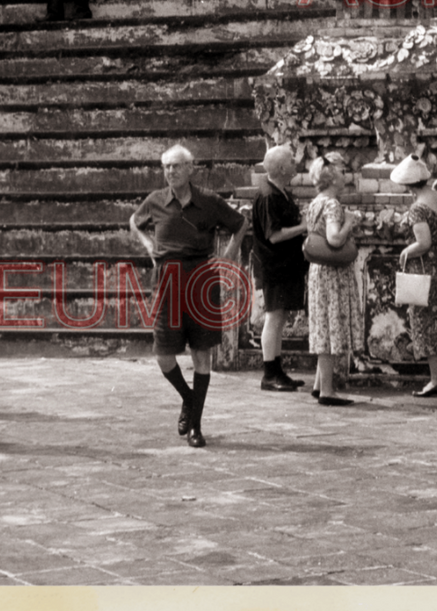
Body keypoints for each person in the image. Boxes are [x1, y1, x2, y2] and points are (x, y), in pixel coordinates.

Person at [130, 144, 249, 448]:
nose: (171, 172)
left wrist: (228, 256)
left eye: (176, 166)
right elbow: (135, 222)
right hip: (167, 279)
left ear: (190, 169)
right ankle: (189, 398)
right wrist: (148, 246)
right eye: (167, 167)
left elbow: (240, 224)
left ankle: (195, 425)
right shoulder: (155, 200)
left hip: (200, 279)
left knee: (201, 352)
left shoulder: (208, 201)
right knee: (163, 353)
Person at [391, 155, 437, 397]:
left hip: (425, 265)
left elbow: (423, 242)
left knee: (426, 321)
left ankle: (436, 378)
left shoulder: (418, 207)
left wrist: (406, 251)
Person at [250, 144, 307, 391]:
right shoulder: (269, 195)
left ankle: (277, 370)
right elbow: (273, 235)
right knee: (274, 318)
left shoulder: (280, 192)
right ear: (282, 168)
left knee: (280, 317)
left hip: (286, 264)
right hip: (274, 264)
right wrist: (304, 227)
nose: (296, 164)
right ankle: (269, 373)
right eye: (292, 161)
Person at [304, 153, 360, 406]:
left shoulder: (316, 201)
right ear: (334, 178)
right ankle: (327, 390)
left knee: (322, 324)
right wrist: (349, 222)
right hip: (332, 273)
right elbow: (334, 239)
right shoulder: (333, 205)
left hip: (319, 271)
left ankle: (319, 384)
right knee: (329, 328)